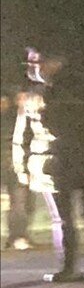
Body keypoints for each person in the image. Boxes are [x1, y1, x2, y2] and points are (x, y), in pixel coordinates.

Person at [13, 50, 84, 281]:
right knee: (63, 219)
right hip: (53, 164)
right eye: (31, 63)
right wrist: (21, 167)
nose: (33, 67)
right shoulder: (32, 95)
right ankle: (69, 267)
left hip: (83, 161)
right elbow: (22, 134)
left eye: (37, 62)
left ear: (55, 62)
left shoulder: (81, 88)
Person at [3, 87, 37, 250]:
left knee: (23, 203)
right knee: (19, 203)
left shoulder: (26, 119)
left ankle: (18, 235)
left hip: (21, 166)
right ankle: (17, 236)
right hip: (14, 166)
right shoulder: (12, 119)